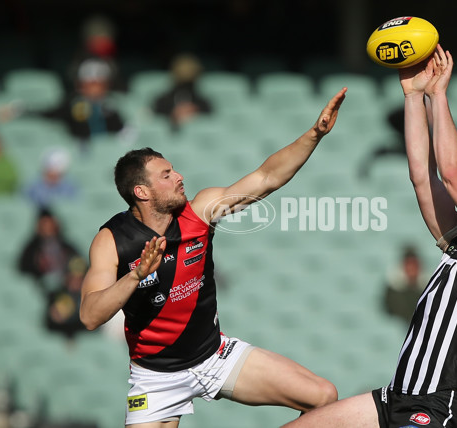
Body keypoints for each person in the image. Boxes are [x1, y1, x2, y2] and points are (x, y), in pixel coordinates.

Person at [282, 46, 457, 428]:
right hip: (394, 396)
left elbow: (454, 176)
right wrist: (412, 96)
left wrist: (438, 95)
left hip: (439, 404)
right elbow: (423, 176)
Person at [79, 87, 347, 426]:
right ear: (141, 192)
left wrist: (314, 134)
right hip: (155, 377)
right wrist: (134, 276)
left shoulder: (201, 211)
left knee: (324, 397)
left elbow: (266, 178)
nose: (179, 177)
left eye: (174, 169)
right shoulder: (110, 240)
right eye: (166, 175)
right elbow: (90, 316)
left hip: (214, 356)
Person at [18, 207, 82, 294]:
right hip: (41, 288)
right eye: (44, 224)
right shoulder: (32, 248)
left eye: (49, 224)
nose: (48, 228)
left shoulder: (65, 245)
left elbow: (79, 262)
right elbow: (24, 267)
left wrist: (73, 276)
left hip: (66, 288)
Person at [151, 53, 213, 131]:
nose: (185, 72)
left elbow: (210, 124)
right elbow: (154, 121)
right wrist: (173, 114)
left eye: (190, 69)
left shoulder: (203, 103)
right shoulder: (162, 101)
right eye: (182, 69)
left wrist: (194, 112)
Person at [45, 255, 88, 341]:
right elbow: (51, 323)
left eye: (80, 278)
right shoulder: (56, 295)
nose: (76, 281)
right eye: (73, 277)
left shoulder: (90, 294)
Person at [382, 244, 425, 322]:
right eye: (409, 264)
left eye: (414, 264)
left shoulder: (428, 289)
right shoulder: (393, 291)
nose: (411, 268)